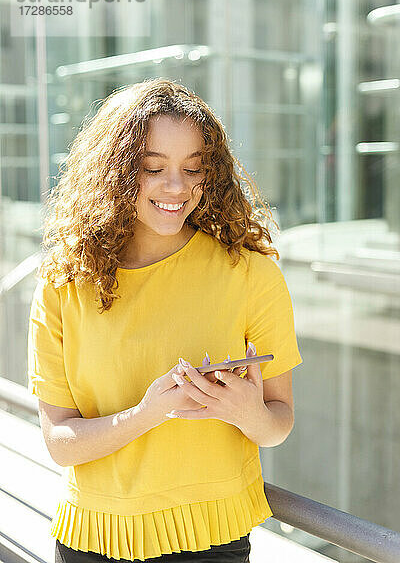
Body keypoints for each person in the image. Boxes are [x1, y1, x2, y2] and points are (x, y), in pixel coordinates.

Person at [27, 78, 303, 563]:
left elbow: (277, 424)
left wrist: (245, 411)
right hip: (93, 541)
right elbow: (60, 443)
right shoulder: (63, 282)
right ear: (114, 172)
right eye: (153, 168)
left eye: (192, 169)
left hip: (209, 542)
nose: (177, 187)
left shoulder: (252, 274)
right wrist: (148, 413)